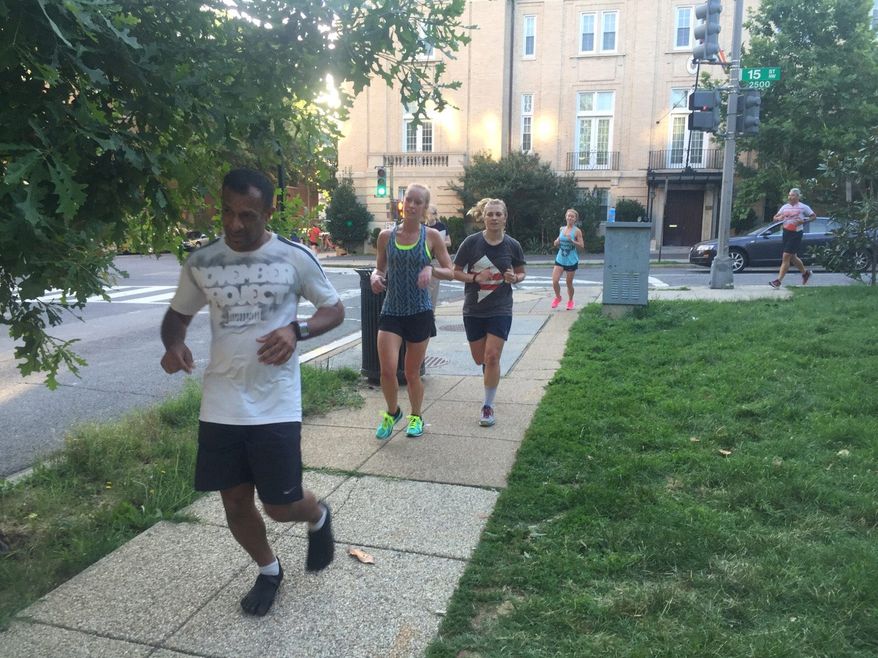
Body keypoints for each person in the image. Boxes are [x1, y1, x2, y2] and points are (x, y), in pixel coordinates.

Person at [160, 168, 345, 617]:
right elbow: (177, 317)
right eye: (227, 212)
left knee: (281, 506)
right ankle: (268, 569)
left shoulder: (293, 258)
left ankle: (317, 514)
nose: (234, 224)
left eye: (247, 215)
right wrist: (174, 345)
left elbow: (333, 309)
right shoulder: (202, 262)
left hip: (275, 401)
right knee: (236, 501)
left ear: (269, 211)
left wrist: (296, 330)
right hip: (221, 401)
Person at [370, 184, 454, 440]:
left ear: (425, 208)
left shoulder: (432, 237)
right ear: (402, 203)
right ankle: (392, 412)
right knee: (386, 370)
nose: (412, 205)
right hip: (392, 311)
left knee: (411, 372)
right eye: (409, 200)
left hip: (419, 311)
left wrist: (432, 269)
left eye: (419, 202)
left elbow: (450, 271)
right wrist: (376, 277)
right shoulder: (386, 236)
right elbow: (379, 269)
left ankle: (416, 416)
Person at [452, 199, 526, 427]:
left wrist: (515, 278)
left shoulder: (513, 245)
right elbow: (455, 272)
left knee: (492, 356)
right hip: (474, 309)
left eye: (498, 214)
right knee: (479, 359)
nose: (494, 218)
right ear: (483, 217)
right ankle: (489, 373)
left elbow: (522, 272)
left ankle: (487, 406)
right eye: (490, 214)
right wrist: (475, 277)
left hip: (500, 308)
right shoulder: (471, 243)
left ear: (505, 217)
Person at [770, 187, 816, 288]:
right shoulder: (784, 207)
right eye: (789, 195)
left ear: (798, 197)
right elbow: (775, 218)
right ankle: (805, 273)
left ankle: (778, 281)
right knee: (793, 257)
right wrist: (778, 218)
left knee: (786, 256)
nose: (790, 197)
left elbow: (813, 217)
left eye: (793, 195)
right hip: (786, 232)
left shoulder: (803, 207)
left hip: (796, 233)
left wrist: (803, 221)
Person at [551, 208, 585, 310]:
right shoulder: (562, 229)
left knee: (568, 283)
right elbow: (557, 242)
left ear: (575, 219)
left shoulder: (577, 231)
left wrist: (572, 241)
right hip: (560, 258)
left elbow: (582, 246)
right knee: (555, 281)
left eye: (572, 216)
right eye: (568, 216)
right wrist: (556, 243)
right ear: (566, 217)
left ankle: (570, 301)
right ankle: (558, 297)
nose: (570, 218)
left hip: (571, 260)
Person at [424, 205, 452, 310]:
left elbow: (449, 242)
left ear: (435, 215)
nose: (428, 216)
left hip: (436, 260)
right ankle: (427, 311)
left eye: (429, 213)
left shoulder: (441, 226)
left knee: (432, 287)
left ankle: (430, 311)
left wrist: (438, 243)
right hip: (424, 260)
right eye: (426, 213)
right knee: (426, 287)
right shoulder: (423, 227)